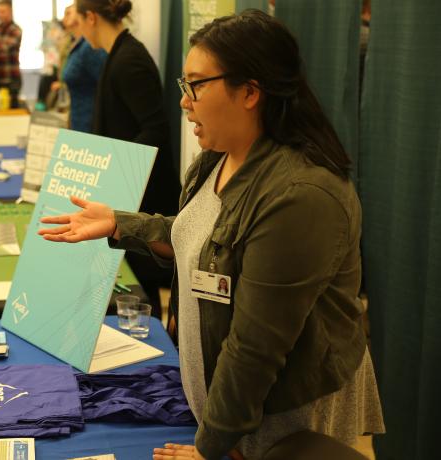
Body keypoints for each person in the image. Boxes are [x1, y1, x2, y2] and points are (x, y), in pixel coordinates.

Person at [38, 9, 384, 460]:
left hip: (282, 422)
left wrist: (212, 449)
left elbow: (255, 349)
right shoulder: (215, 161)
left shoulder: (301, 196)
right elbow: (197, 240)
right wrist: (121, 223)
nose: (184, 101)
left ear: (249, 91)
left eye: (196, 85)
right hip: (230, 414)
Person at [75, 0, 181, 317]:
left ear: (91, 18)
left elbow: (156, 128)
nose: (78, 30)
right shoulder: (118, 54)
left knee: (145, 279)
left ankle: (158, 353)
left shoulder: (129, 59)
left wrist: (117, 170)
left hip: (146, 194)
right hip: (133, 191)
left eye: (79, 22)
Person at [56, 4, 107, 132]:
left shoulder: (91, 47)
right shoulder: (75, 44)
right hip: (78, 119)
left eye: (69, 12)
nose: (64, 18)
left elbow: (105, 85)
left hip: (90, 124)